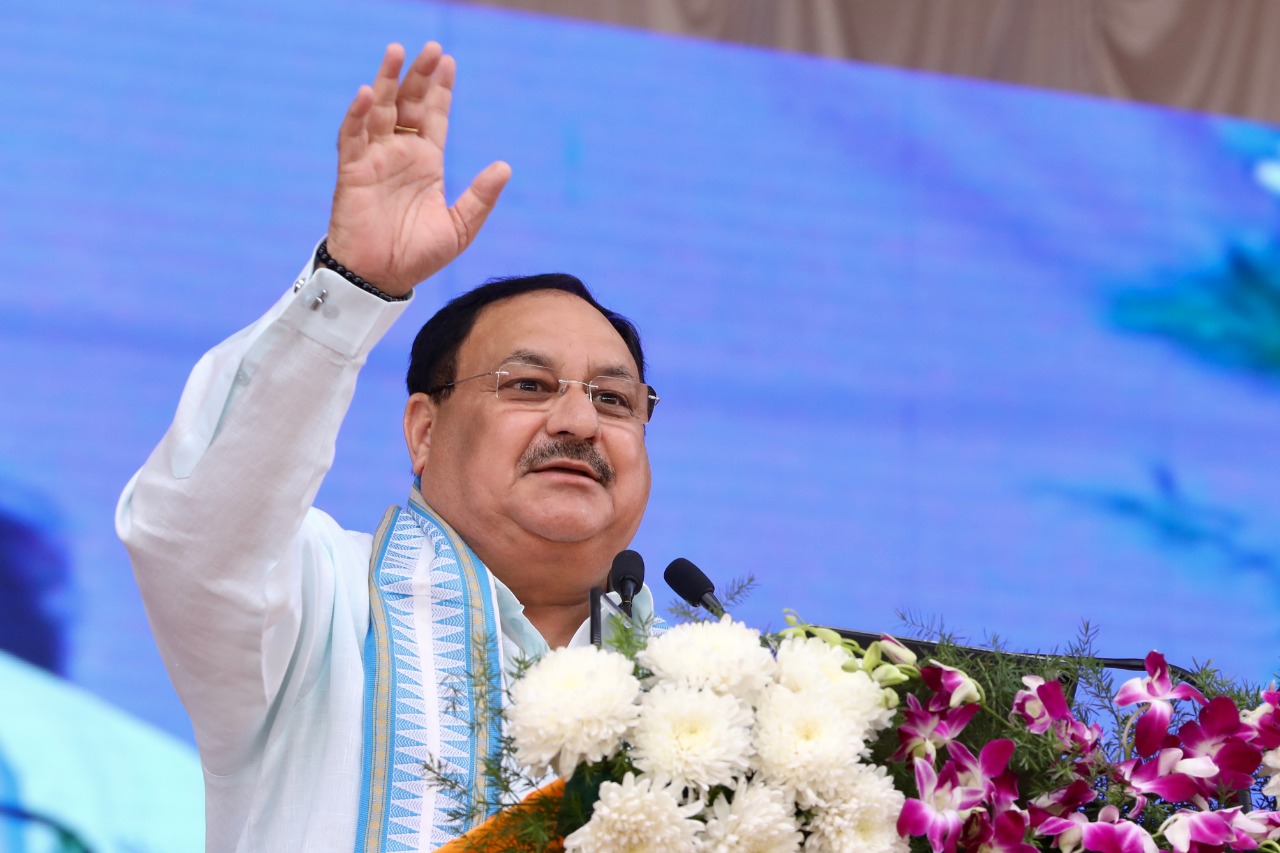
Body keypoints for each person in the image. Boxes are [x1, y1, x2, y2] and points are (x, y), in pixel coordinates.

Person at [116, 41, 660, 852]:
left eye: (613, 399)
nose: (580, 423)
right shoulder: (317, 605)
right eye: (528, 385)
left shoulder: (708, 694)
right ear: (423, 427)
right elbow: (192, 532)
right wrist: (352, 287)